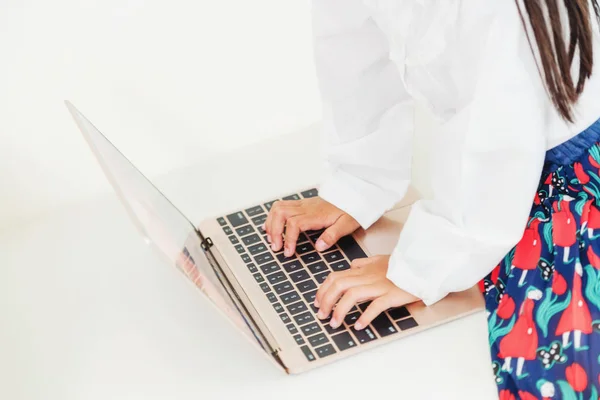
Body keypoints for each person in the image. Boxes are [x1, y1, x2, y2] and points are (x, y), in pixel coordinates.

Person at [264, 0, 600, 397]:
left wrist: (418, 267)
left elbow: (499, 146)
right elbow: (351, 43)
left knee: (561, 371)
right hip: (499, 165)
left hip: (571, 170)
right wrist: (355, 185)